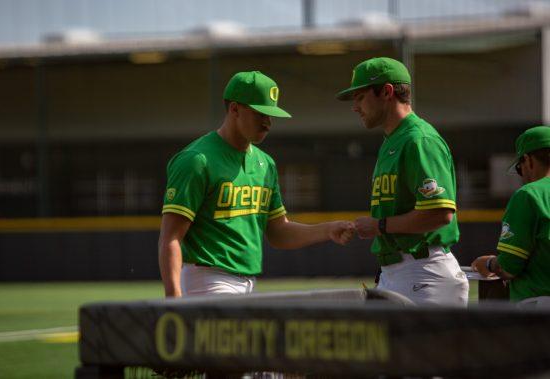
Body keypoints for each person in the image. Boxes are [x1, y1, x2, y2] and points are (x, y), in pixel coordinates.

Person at [159, 70, 354, 297]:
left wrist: (327, 230)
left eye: (271, 115)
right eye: (260, 113)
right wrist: (174, 301)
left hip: (248, 284)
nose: (268, 122)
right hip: (209, 280)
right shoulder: (197, 160)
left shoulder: (265, 163)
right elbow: (170, 237)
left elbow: (278, 232)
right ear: (234, 109)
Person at [336, 57, 469, 306]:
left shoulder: (419, 139)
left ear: (386, 92)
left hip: (424, 272)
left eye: (360, 96)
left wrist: (379, 226)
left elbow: (440, 214)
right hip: (399, 271)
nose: (355, 106)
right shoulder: (392, 141)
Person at [471, 126, 550, 307]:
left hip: (541, 305)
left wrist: (489, 264)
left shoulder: (529, 194)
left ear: (528, 160)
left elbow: (509, 266)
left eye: (519, 167)